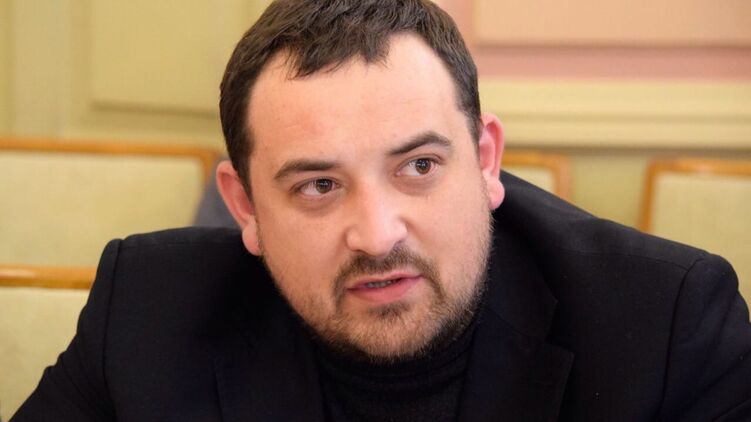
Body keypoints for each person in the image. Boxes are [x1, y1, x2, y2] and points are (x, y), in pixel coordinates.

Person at [12, 1, 751, 421]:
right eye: (317, 186)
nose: (376, 235)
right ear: (244, 205)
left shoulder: (665, 327)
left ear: (486, 161)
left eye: (419, 167)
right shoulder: (146, 312)